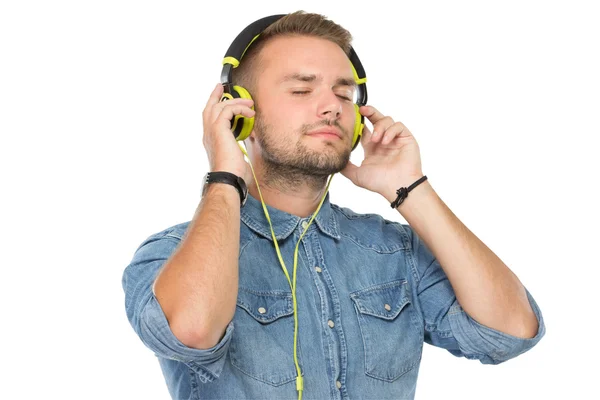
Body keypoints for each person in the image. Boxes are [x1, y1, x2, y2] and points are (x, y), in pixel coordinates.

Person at [122, 11, 545, 400]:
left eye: (345, 94)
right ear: (240, 114)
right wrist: (225, 176)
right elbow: (190, 331)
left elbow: (509, 332)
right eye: (302, 89)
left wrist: (411, 189)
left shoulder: (396, 252)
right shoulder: (169, 254)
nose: (331, 107)